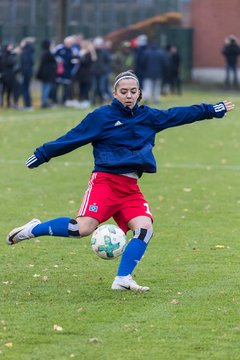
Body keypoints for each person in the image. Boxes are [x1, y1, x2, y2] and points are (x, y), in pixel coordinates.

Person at [6, 70, 235, 292]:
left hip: (130, 188)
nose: (128, 95)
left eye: (133, 91)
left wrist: (212, 110)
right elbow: (72, 138)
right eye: (123, 91)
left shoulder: (149, 117)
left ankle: (123, 279)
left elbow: (180, 114)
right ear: (114, 93)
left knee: (145, 229)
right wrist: (43, 153)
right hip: (105, 183)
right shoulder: (101, 117)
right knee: (82, 228)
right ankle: (33, 229)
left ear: (139, 93)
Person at [36, 40, 57, 108]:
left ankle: (44, 102)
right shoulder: (48, 53)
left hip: (45, 74)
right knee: (46, 88)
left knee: (44, 88)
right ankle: (44, 103)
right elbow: (53, 62)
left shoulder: (44, 53)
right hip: (48, 74)